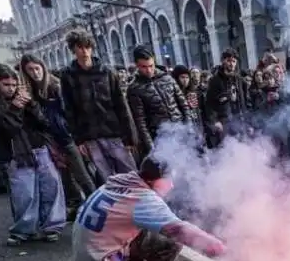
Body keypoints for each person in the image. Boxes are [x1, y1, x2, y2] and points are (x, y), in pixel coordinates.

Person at [71, 155, 226, 261]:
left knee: (148, 232)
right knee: (170, 242)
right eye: (168, 179)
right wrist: (218, 248)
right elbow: (179, 230)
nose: (171, 185)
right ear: (152, 180)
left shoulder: (120, 183)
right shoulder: (143, 199)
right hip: (100, 259)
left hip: (86, 252)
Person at [0, 64, 66, 245]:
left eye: (13, 84)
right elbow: (7, 128)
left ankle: (52, 226)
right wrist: (15, 107)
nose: (11, 89)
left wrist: (32, 105)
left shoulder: (23, 96)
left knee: (50, 186)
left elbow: (43, 122)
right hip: (14, 151)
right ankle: (25, 229)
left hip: (38, 145)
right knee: (25, 192)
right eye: (6, 85)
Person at [21, 54, 97, 220]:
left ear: (43, 67)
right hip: (47, 139)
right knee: (63, 176)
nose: (35, 73)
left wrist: (76, 135)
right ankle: (75, 204)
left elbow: (69, 112)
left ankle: (96, 205)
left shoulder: (56, 85)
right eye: (30, 70)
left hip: (65, 136)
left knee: (81, 174)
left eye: (37, 68)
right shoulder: (27, 92)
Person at [60, 29, 138, 183]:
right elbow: (69, 110)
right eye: (80, 47)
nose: (84, 51)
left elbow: (121, 104)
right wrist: (79, 140)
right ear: (73, 49)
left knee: (131, 176)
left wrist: (129, 137)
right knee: (108, 180)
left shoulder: (107, 71)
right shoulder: (68, 75)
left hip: (114, 132)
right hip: (90, 136)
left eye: (87, 47)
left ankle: (138, 205)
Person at [125, 46, 189, 158]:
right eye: (144, 67)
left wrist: (189, 127)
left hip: (180, 129)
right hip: (161, 137)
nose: (149, 70)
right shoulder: (134, 88)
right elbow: (141, 122)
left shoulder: (167, 78)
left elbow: (183, 105)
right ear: (137, 65)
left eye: (151, 66)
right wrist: (152, 148)